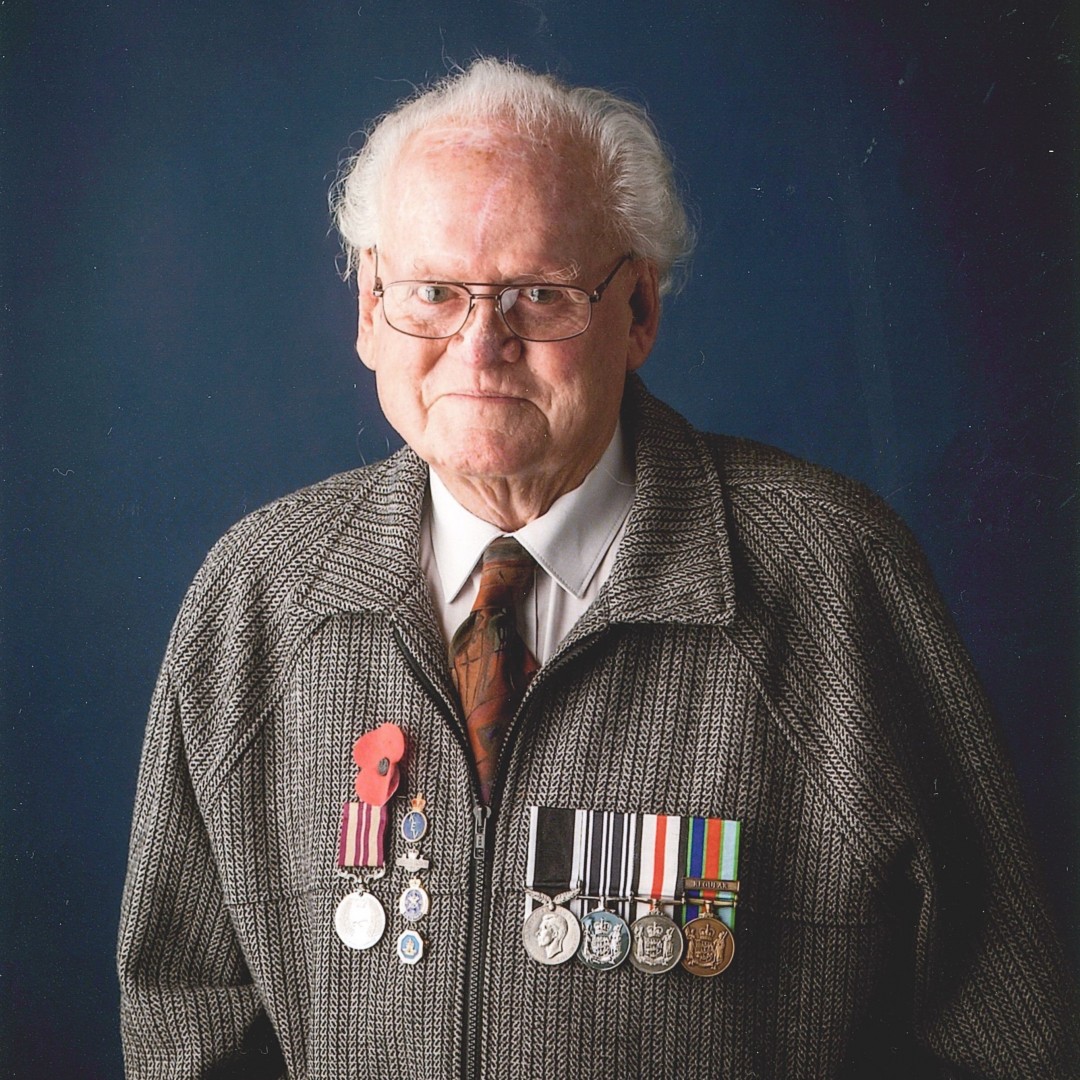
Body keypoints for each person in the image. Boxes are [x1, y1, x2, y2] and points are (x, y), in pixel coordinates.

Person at [117, 58, 1078, 1079]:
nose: (479, 347)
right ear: (369, 308)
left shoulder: (836, 577)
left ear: (639, 310)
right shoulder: (258, 593)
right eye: (433, 293)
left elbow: (1002, 1036)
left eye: (538, 295)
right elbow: (184, 1026)